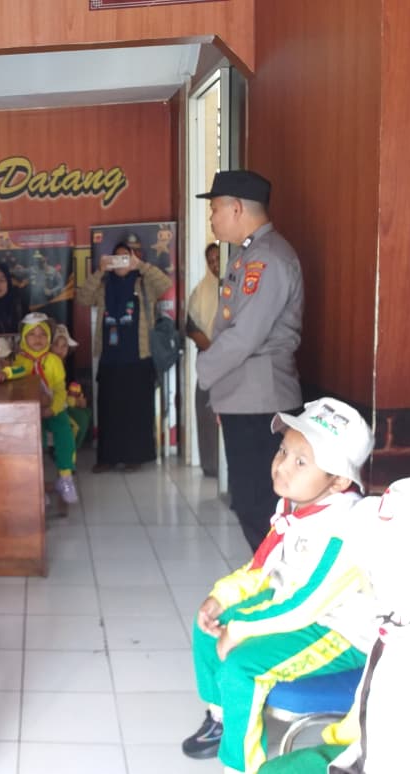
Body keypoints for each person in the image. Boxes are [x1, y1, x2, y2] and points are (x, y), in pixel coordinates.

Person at [181, 398, 376, 774]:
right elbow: (262, 568)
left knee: (241, 667)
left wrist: (240, 629)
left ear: (338, 480)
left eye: (301, 462)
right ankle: (223, 718)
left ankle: (239, 766)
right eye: (283, 451)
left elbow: (306, 606)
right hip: (296, 605)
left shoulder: (344, 529)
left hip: (337, 631)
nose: (282, 466)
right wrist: (221, 598)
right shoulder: (296, 504)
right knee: (209, 626)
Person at [259, 478, 410, 774]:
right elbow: (376, 703)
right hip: (365, 752)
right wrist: (342, 741)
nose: (375, 580)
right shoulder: (400, 627)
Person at [195, 169, 304, 551]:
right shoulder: (248, 255)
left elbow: (245, 336)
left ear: (237, 208)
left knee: (260, 503)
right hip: (245, 396)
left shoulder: (267, 259)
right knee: (250, 500)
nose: (212, 218)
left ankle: (276, 581)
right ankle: (266, 575)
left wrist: (204, 371)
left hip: (261, 401)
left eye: (215, 209)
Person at [77, 240, 171, 472]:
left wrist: (140, 266)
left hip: (139, 358)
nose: (120, 262)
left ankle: (135, 457)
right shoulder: (104, 285)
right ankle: (107, 458)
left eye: (125, 257)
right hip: (110, 359)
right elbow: (83, 298)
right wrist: (100, 271)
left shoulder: (144, 283)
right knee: (109, 410)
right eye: (116, 257)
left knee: (136, 410)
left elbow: (165, 284)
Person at [14, 313, 78, 504]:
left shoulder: (54, 361)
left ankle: (65, 478)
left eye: (43, 334)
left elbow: (60, 389)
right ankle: (36, 484)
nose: (38, 339)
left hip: (53, 409)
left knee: (65, 433)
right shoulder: (18, 362)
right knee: (35, 440)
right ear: (24, 338)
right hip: (30, 413)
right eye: (32, 334)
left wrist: (53, 409)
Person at [187, 242, 221, 478]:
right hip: (209, 360)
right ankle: (211, 465)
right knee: (207, 413)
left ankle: (230, 467)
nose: (215, 264)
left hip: (237, 362)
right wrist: (214, 350)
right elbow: (191, 327)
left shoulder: (238, 287)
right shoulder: (200, 292)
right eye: (210, 261)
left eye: (218, 258)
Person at [51, 324, 91, 450]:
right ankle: (66, 453)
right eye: (56, 345)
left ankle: (69, 450)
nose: (60, 350)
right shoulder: (47, 364)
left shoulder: (66, 365)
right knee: (79, 420)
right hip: (53, 407)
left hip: (64, 404)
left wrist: (79, 398)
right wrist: (72, 402)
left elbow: (71, 388)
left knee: (86, 412)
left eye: (64, 346)